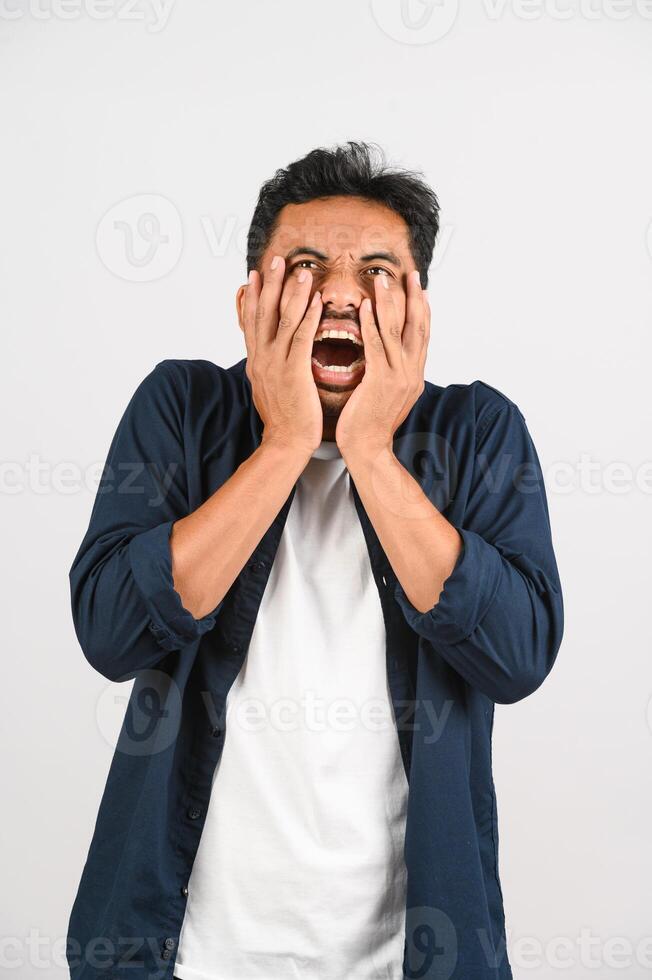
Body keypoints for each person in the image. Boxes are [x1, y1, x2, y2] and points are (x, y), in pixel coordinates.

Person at [66, 142, 564, 980]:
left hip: (410, 959)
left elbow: (515, 656)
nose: (340, 293)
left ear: (418, 307)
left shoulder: (481, 432)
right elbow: (112, 632)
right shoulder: (181, 407)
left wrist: (370, 448)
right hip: (181, 954)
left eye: (377, 271)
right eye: (305, 266)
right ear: (251, 298)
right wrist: (286, 440)